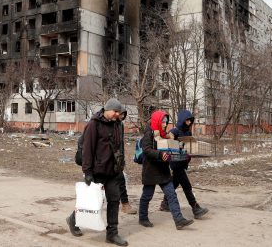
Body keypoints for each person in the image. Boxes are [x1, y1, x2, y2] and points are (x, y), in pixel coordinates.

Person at [66, 98, 128, 246]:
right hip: (97, 171)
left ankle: (112, 234)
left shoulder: (119, 124)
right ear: (107, 109)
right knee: (94, 202)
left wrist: (121, 164)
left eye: (119, 112)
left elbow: (120, 146)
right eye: (115, 111)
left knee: (114, 200)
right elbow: (88, 149)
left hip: (113, 171)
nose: (117, 114)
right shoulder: (94, 124)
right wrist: (87, 171)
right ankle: (73, 220)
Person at [138, 110, 194, 230]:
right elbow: (146, 150)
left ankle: (179, 220)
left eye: (166, 122)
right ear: (157, 121)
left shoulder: (164, 134)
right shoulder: (149, 134)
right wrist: (160, 154)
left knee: (171, 195)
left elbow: (169, 149)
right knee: (147, 196)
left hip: (163, 170)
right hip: (151, 171)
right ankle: (142, 218)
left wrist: (179, 152)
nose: (165, 124)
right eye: (163, 122)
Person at [159, 109, 209, 219]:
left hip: (183, 162)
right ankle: (195, 208)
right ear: (182, 120)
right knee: (187, 186)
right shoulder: (174, 131)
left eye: (190, 120)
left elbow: (189, 146)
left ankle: (164, 203)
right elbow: (168, 144)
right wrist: (180, 148)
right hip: (176, 162)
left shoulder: (188, 132)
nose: (189, 122)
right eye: (187, 120)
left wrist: (190, 153)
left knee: (174, 184)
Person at [116, 109, 137, 215]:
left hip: (116, 161)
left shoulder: (120, 125)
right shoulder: (102, 125)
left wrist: (122, 159)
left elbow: (121, 144)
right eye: (121, 114)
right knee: (96, 192)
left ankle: (125, 204)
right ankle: (76, 216)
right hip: (102, 163)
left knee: (121, 181)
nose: (122, 116)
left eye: (124, 115)